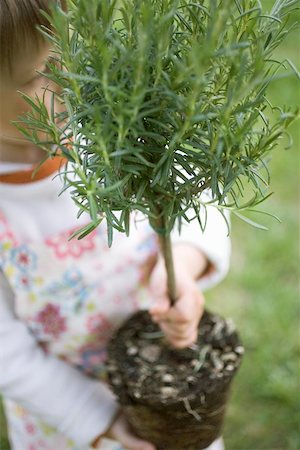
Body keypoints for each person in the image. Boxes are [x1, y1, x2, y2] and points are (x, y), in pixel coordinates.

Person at [0, 1, 231, 449]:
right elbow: (6, 353)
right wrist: (96, 419)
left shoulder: (115, 124)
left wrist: (182, 264)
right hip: (70, 420)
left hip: (169, 380)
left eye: (78, 53)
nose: (75, 80)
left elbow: (196, 191)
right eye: (42, 72)